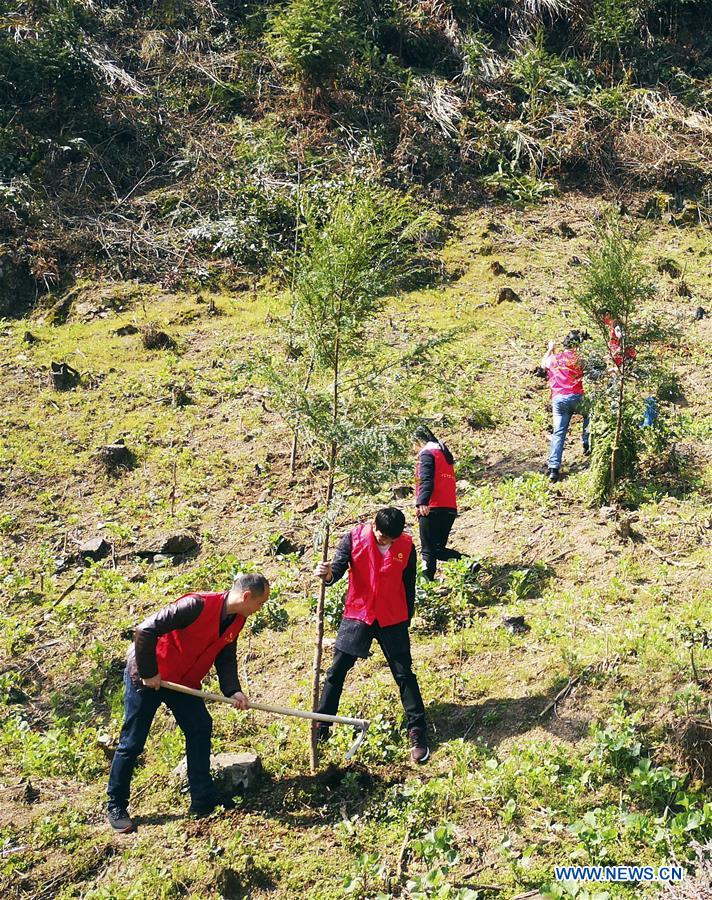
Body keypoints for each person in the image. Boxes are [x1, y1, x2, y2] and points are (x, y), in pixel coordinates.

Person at [106, 573, 269, 833]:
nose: (259, 610)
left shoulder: (236, 621)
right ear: (247, 596)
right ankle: (116, 805)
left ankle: (202, 799)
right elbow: (145, 630)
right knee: (133, 741)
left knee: (200, 727)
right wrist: (149, 673)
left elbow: (226, 656)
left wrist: (233, 691)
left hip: (182, 682)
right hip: (148, 676)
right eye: (260, 604)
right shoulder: (197, 605)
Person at [314, 507, 430, 763]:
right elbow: (337, 570)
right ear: (374, 526)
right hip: (359, 614)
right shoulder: (353, 538)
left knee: (404, 674)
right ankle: (322, 727)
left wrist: (406, 619)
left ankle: (418, 730)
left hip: (393, 617)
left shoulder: (407, 546)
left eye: (391, 539)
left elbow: (408, 584)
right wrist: (328, 574)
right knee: (336, 672)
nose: (386, 542)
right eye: (382, 538)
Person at [414, 425, 462, 580]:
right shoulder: (444, 456)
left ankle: (426, 584)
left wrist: (422, 502)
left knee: (428, 551)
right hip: (449, 508)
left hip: (432, 507)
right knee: (438, 550)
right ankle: (470, 563)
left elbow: (426, 480)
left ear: (418, 441)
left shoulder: (427, 454)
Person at [542, 332, 590, 482]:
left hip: (558, 399)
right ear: (577, 346)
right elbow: (591, 371)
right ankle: (587, 442)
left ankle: (553, 469)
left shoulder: (555, 359)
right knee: (590, 414)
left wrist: (550, 349)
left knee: (558, 433)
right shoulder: (579, 359)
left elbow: (543, 364)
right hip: (577, 396)